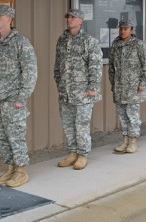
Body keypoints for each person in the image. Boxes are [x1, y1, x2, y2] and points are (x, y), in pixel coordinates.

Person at [0, 5, 37, 188]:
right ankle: (10, 168)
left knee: (16, 137)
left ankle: (21, 171)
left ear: (9, 19)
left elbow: (30, 73)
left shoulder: (21, 42)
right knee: (2, 138)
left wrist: (21, 98)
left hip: (13, 101)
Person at [54, 9, 102, 170]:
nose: (69, 19)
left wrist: (93, 87)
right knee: (68, 124)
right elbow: (58, 64)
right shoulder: (62, 39)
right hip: (65, 92)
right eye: (68, 17)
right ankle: (72, 152)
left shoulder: (89, 41)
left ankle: (82, 154)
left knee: (81, 125)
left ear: (81, 21)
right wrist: (59, 82)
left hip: (82, 93)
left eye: (73, 17)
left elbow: (95, 66)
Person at [109, 19, 146, 153]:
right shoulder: (116, 44)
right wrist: (113, 82)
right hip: (119, 87)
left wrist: (142, 83)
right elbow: (111, 67)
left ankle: (133, 141)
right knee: (122, 116)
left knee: (132, 116)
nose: (122, 31)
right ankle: (125, 140)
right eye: (121, 29)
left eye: (126, 29)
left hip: (134, 87)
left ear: (132, 30)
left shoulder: (140, 45)